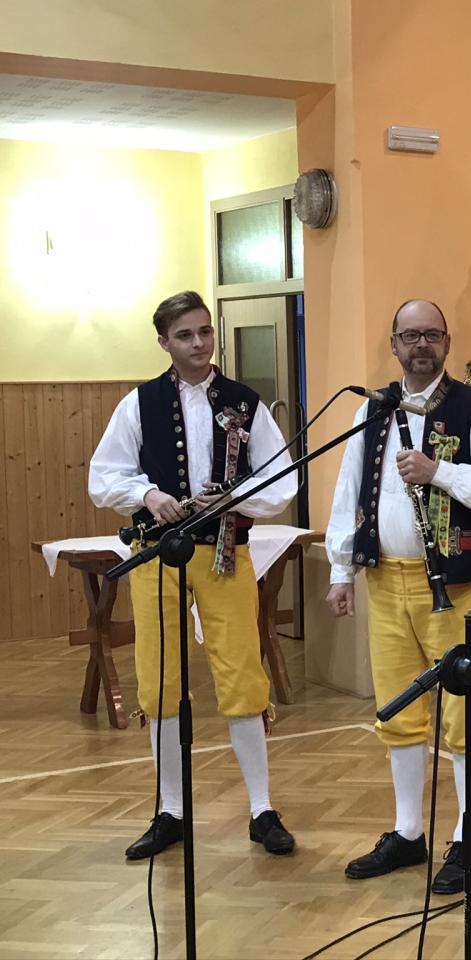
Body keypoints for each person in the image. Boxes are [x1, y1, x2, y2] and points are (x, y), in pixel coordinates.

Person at [88, 290, 298, 860]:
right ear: (164, 342)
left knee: (243, 674)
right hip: (159, 556)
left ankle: (261, 808)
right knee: (159, 679)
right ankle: (171, 811)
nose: (199, 343)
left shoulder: (245, 402)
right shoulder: (141, 403)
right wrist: (148, 495)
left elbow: (282, 480)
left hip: (227, 554)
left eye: (205, 331)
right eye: (185, 335)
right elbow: (104, 476)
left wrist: (235, 498)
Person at [326, 299, 471, 892]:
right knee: (399, 712)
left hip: (454, 587)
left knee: (465, 714)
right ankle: (408, 831)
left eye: (431, 335)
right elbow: (349, 492)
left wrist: (439, 472)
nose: (421, 346)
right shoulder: (374, 410)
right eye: (409, 336)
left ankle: (466, 837)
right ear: (393, 344)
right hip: (384, 580)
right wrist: (340, 570)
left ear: (447, 343)